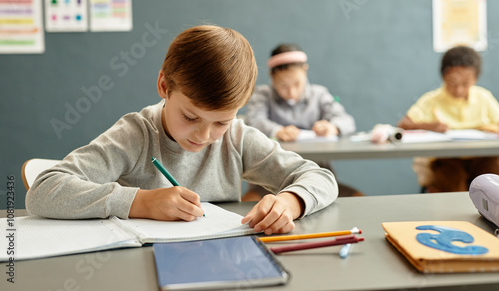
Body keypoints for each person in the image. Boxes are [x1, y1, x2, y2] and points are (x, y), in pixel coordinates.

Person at [25, 25, 338, 235]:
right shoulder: (136, 135)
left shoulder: (237, 138)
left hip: (220, 261)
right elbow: (45, 191)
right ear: (164, 86)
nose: (203, 135)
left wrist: (290, 202)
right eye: (190, 117)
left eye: (220, 122)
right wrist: (140, 202)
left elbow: (320, 178)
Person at [243, 43, 361, 201]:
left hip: (318, 180)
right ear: (272, 77)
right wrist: (277, 131)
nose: (291, 92)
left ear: (305, 70)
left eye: (297, 84)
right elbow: (253, 120)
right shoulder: (263, 95)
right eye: (283, 85)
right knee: (246, 205)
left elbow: (346, 121)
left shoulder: (319, 94)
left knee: (360, 199)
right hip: (271, 181)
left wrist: (332, 127)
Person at [397, 45, 499, 192]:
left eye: (465, 83)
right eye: (453, 82)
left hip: (482, 157)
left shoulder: (484, 98)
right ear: (444, 76)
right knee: (451, 180)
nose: (459, 90)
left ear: (475, 78)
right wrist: (431, 126)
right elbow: (403, 125)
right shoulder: (431, 100)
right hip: (447, 159)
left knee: (491, 180)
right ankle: (453, 214)